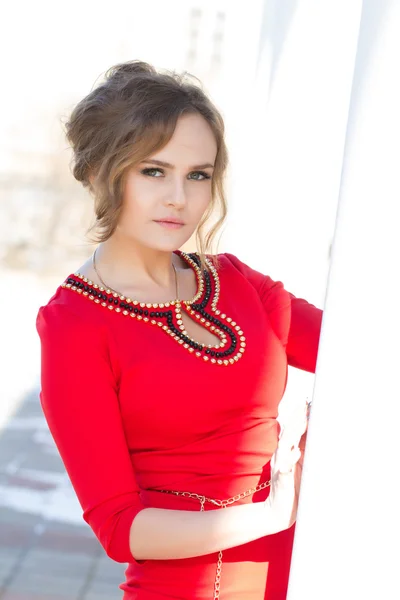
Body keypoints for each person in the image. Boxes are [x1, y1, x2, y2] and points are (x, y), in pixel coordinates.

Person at [36, 60, 323, 600]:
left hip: (303, 578)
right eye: (153, 171)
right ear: (101, 172)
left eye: (198, 175)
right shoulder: (74, 325)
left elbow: (364, 350)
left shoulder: (239, 284)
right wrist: (274, 511)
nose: (179, 198)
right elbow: (122, 527)